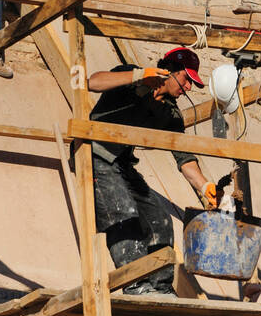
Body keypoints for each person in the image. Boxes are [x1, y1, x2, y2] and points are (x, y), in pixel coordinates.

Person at [86, 47, 218, 295]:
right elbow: (92, 82)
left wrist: (204, 186)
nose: (188, 88)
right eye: (187, 79)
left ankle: (160, 286)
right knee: (122, 212)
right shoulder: (132, 78)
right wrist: (136, 75)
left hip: (122, 163)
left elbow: (184, 157)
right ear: (170, 71)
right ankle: (135, 284)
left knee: (160, 220)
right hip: (94, 154)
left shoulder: (170, 113)